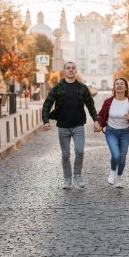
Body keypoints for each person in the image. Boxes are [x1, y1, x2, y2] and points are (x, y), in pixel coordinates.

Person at [42, 61, 101, 189]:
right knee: (65, 154)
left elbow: (90, 105)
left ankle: (78, 174)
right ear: (64, 71)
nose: (71, 70)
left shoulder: (82, 87)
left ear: (76, 71)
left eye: (73, 68)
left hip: (78, 125)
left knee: (79, 151)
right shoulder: (58, 87)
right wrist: (46, 121)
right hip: (63, 126)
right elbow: (47, 104)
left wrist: (96, 120)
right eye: (68, 68)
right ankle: (67, 178)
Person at [98, 77, 129, 188]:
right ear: (114, 87)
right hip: (111, 132)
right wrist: (99, 124)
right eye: (117, 84)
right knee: (115, 155)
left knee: (122, 158)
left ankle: (119, 176)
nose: (119, 85)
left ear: (125, 88)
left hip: (125, 133)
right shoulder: (108, 102)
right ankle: (112, 171)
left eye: (122, 84)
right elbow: (101, 115)